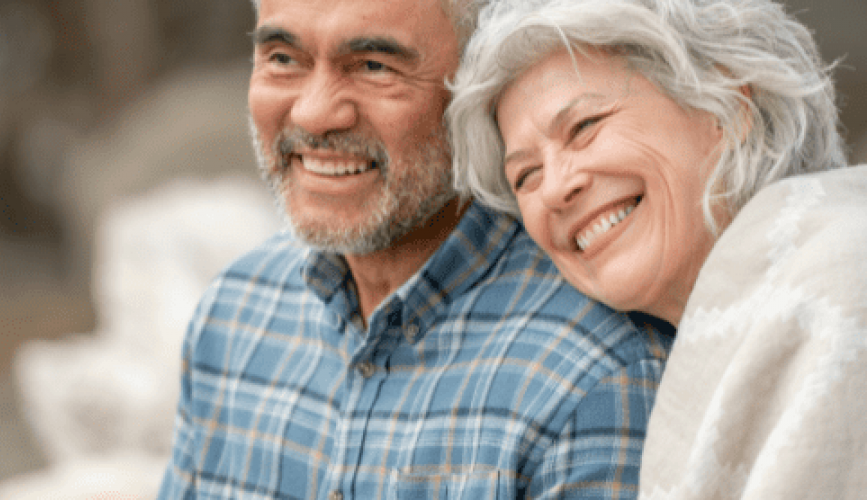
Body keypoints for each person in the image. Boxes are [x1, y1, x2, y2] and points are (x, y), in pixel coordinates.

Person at [157, 0, 675, 498]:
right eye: (283, 59)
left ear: (478, 86)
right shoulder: (231, 316)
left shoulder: (596, 377)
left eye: (374, 66)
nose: (314, 115)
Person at [447, 0, 867, 497]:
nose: (556, 188)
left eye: (584, 127)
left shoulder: (842, 280)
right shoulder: (712, 339)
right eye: (526, 175)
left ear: (730, 106)